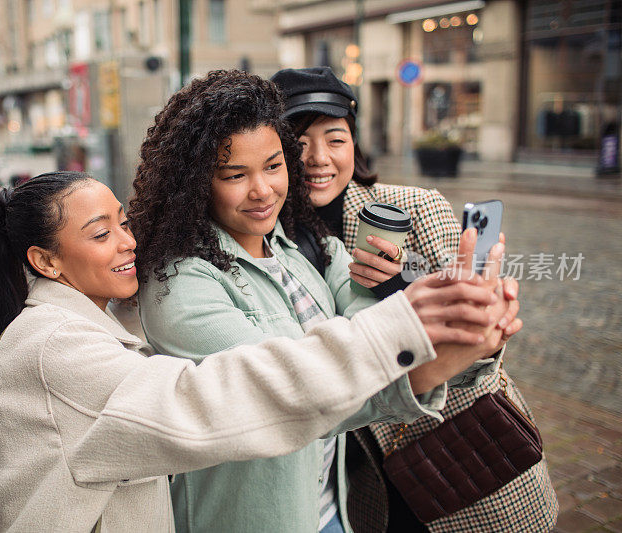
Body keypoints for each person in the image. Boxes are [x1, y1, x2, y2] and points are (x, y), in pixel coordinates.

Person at [0, 171, 504, 532]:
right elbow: (217, 397)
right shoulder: (56, 349)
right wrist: (400, 330)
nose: (128, 242)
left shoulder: (299, 247)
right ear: (45, 261)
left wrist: (440, 350)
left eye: (124, 223)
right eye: (100, 234)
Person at [130, 70, 517, 533]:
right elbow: (283, 393)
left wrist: (469, 329)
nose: (262, 190)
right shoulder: (179, 282)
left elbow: (364, 320)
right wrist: (423, 355)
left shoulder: (306, 245)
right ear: (194, 182)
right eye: (236, 174)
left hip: (332, 511)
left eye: (274, 166)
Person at [271, 66, 557, 532]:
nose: (318, 158)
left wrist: (401, 288)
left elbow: (479, 358)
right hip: (365, 482)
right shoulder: (268, 234)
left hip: (463, 455)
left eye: (336, 139)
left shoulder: (414, 207)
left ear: (354, 143)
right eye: (298, 143)